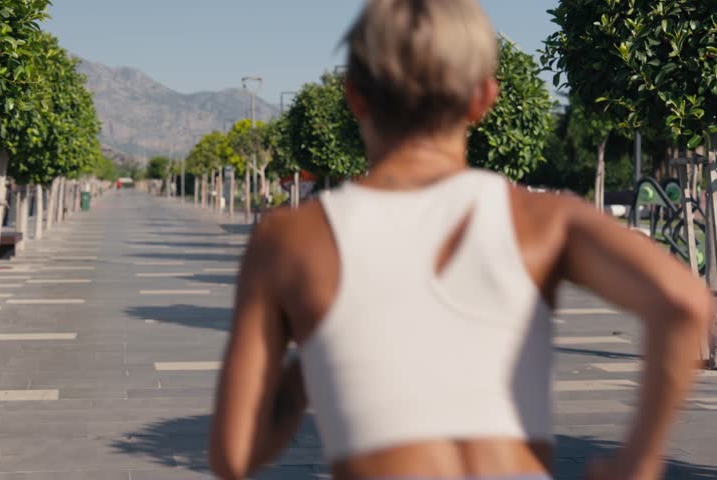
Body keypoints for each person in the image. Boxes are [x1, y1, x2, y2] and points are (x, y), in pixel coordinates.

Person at [209, 1, 712, 479]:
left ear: (354, 95)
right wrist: (639, 462)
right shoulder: (545, 221)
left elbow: (234, 456)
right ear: (484, 98)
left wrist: (301, 380)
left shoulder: (289, 240)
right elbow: (685, 303)